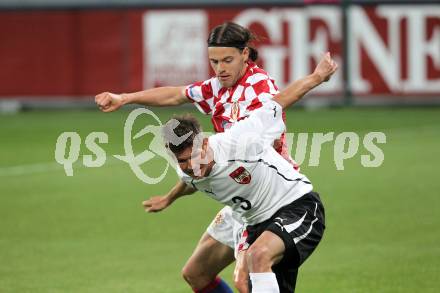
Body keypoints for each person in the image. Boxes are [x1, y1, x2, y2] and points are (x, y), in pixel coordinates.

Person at [96, 21, 308, 293]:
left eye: (227, 60)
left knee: (249, 281)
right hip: (240, 200)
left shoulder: (259, 87)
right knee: (196, 274)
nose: (220, 68)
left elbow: (243, 151)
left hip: (271, 199)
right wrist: (125, 98)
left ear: (245, 53)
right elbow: (176, 95)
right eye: (214, 61)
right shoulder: (218, 87)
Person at [153, 52, 337, 293]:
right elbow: (188, 182)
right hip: (255, 222)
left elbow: (280, 101)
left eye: (193, 156)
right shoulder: (187, 171)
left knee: (257, 258)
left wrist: (318, 76)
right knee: (208, 276)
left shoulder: (240, 139)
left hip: (297, 206)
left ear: (206, 144)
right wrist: (168, 198)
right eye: (182, 161)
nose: (191, 166)